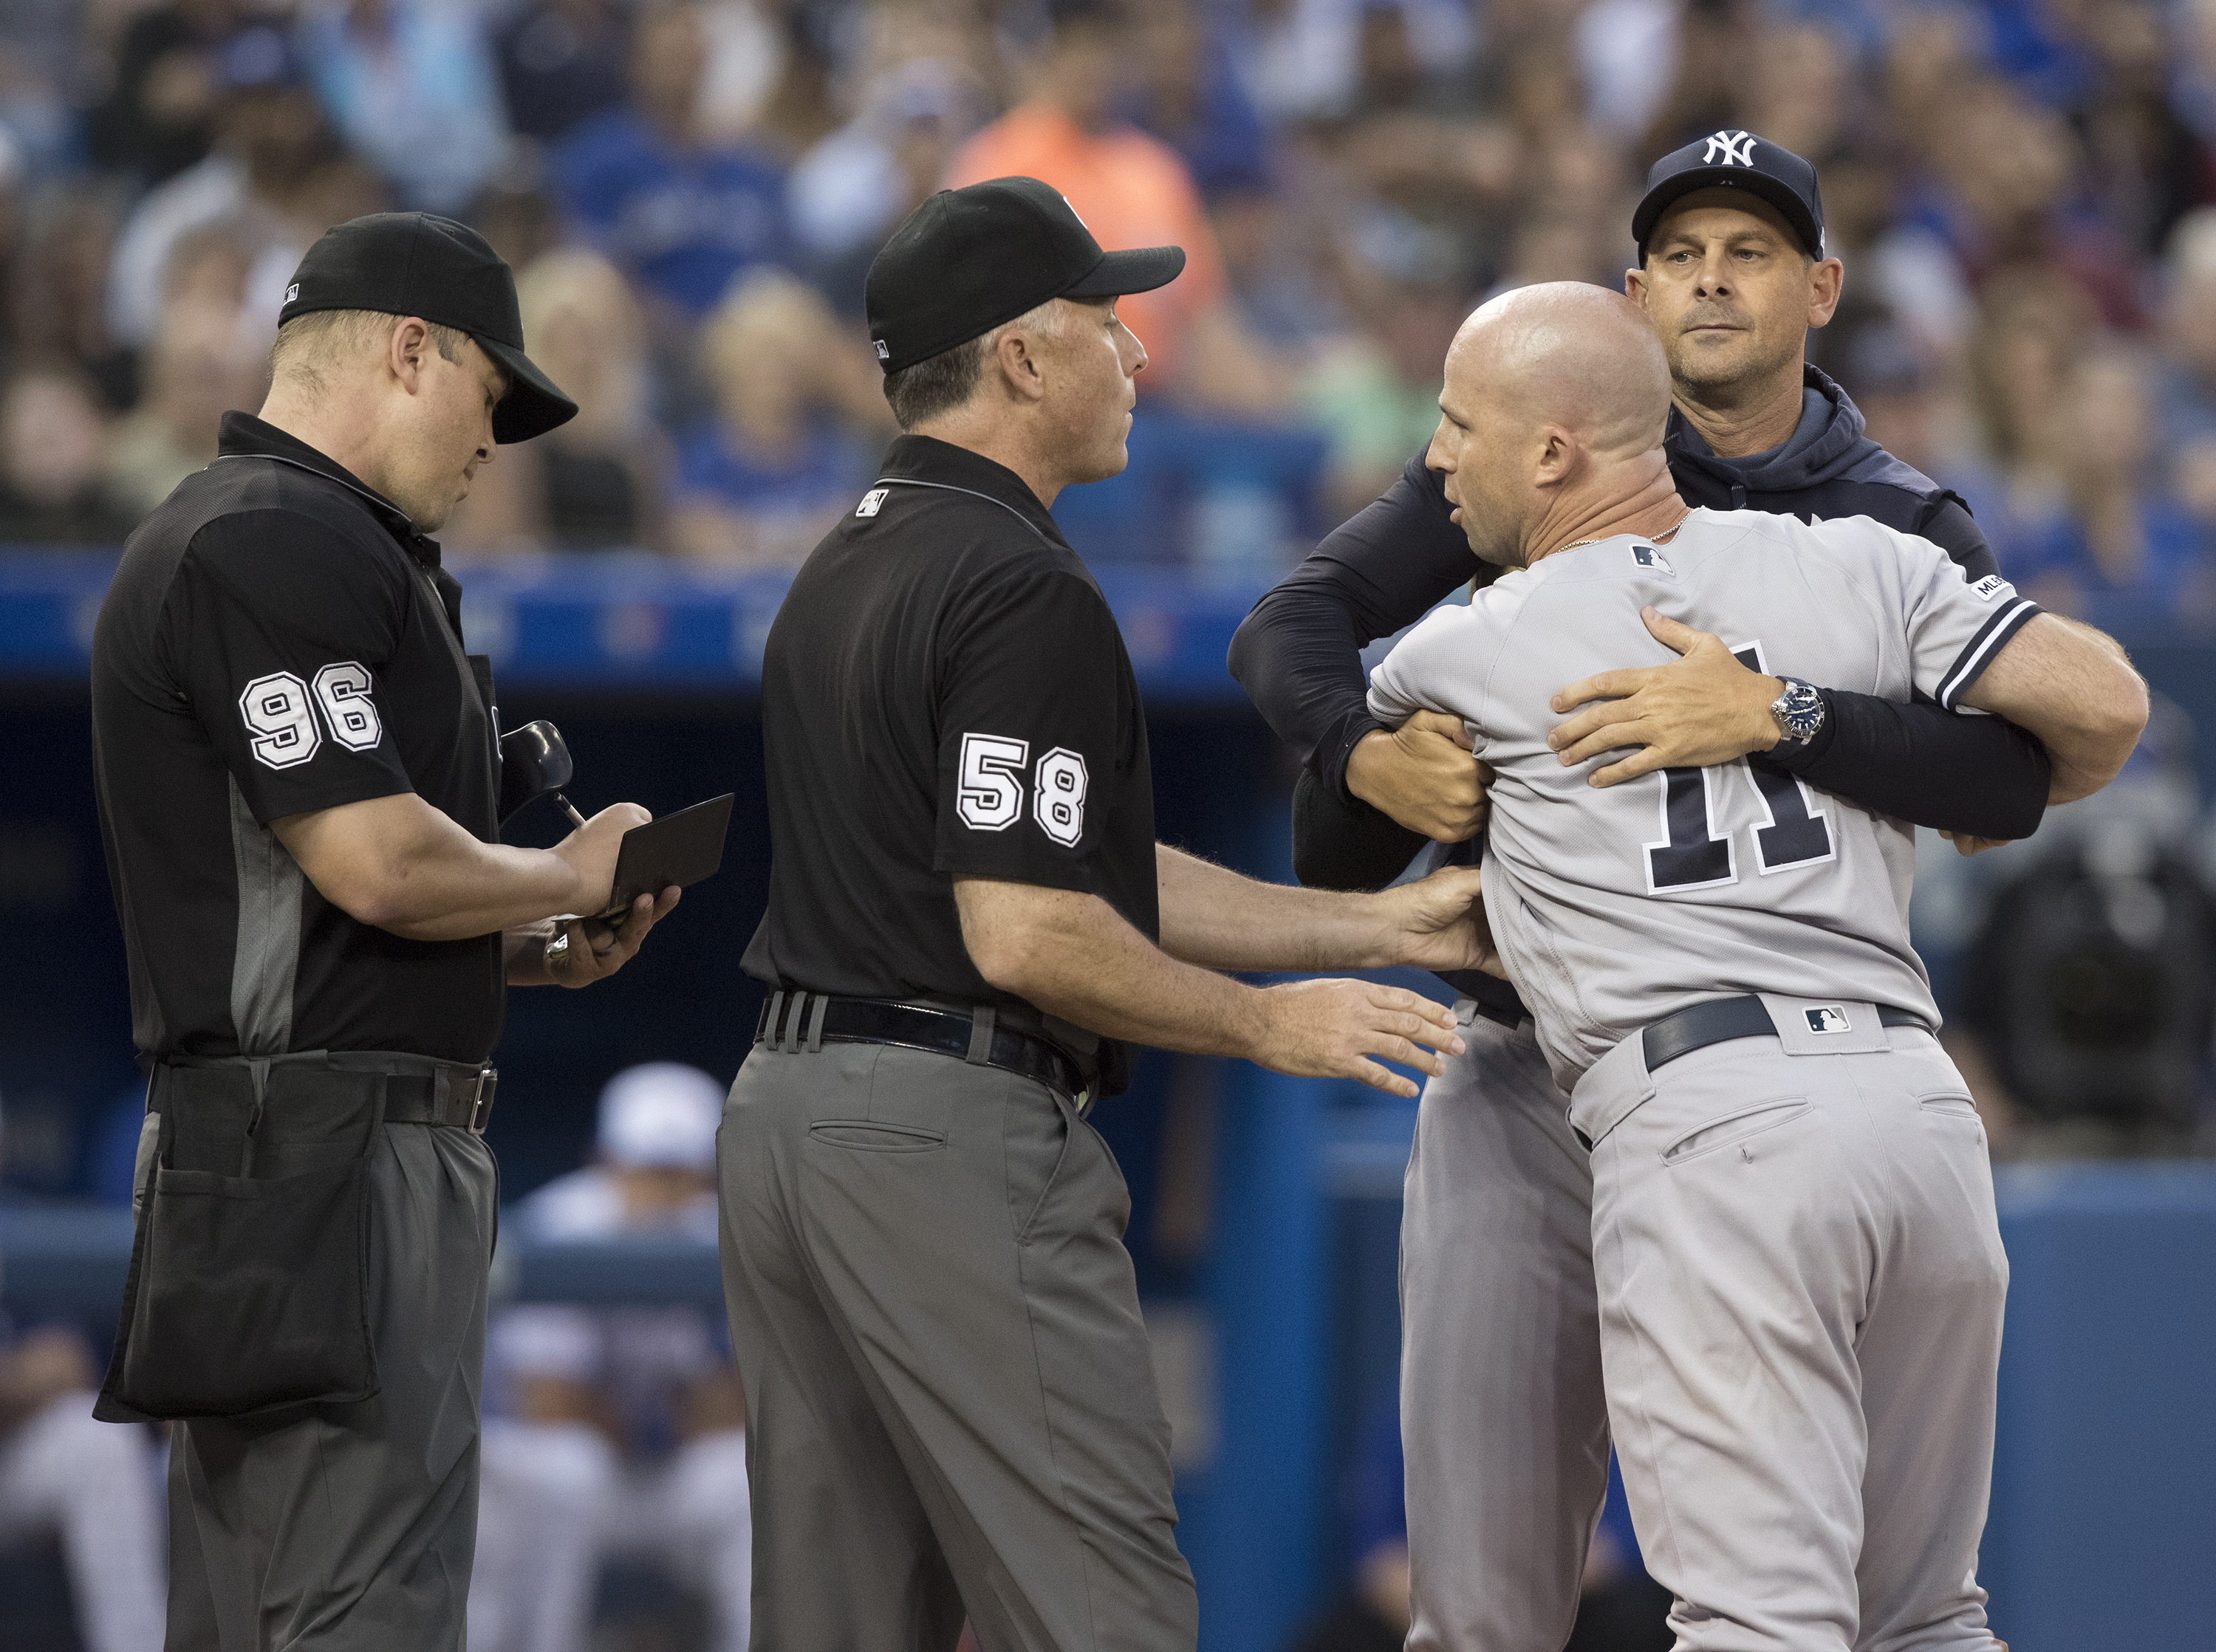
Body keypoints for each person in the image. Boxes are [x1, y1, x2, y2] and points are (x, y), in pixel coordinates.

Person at [1227, 131, 2070, 1652]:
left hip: (1745, 1061)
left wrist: (1783, 708)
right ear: (1631, 293)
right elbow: (1292, 625)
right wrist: (1363, 755)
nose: (1710, 281)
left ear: (1820, 287)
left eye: (1746, 251)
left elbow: (2007, 784)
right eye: (1681, 253)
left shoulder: (1884, 521)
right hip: (1532, 1057)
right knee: (1491, 1598)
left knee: (1836, 1601)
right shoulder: (1552, 443)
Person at [723, 174, 1497, 1652]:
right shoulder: (1017, 582)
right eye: (1107, 319)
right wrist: (1276, 1024)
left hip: (794, 1115)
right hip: (940, 1127)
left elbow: (1081, 864)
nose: (1139, 352)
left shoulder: (852, 554)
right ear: (1022, 354)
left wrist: (1382, 929)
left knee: (845, 1617)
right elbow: (1024, 929)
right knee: (1106, 1613)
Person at [1364, 281, 2146, 1651]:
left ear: (1552, 451)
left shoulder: (1472, 645)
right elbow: (2106, 712)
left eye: (1457, 423)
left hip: (1711, 1119)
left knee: (1757, 1623)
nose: (1437, 456)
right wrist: (1806, 717)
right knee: (1930, 1620)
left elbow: (1329, 813)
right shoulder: (1856, 562)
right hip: (1916, 1116)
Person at [86, 210, 683, 1650]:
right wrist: (565, 874)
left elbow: (308, 912)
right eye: (493, 395)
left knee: (261, 1611)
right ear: (412, 350)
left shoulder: (294, 534)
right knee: (362, 1610)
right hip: (329, 1160)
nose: (498, 443)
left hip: (279, 1142)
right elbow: (369, 858)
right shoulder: (273, 534)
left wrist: (533, 946)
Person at [473, 1062, 751, 1652]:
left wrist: (703, 1406)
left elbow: (741, 1406)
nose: (662, 1191)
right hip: (567, 1473)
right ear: (607, 1160)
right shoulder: (557, 1228)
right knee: (569, 1466)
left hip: (667, 1474)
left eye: (680, 1173)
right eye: (647, 1169)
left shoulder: (730, 1236)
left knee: (743, 1478)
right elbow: (549, 1403)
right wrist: (688, 1406)